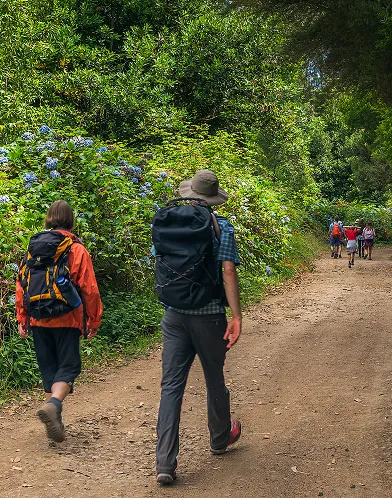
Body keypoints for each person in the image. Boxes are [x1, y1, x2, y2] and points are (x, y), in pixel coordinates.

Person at [153, 170, 242, 485]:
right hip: (208, 315)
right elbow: (228, 270)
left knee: (170, 387)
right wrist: (236, 316)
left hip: (173, 316)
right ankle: (219, 437)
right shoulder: (222, 225)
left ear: (188, 193)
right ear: (212, 198)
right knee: (214, 378)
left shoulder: (166, 221)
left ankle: (165, 462)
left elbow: (160, 260)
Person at [16, 200, 102, 443]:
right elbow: (90, 289)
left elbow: (21, 283)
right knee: (69, 367)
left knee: (49, 370)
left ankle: (56, 421)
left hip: (38, 318)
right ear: (71, 220)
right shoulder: (75, 249)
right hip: (67, 318)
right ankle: (54, 405)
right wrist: (93, 320)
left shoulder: (33, 248)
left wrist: (22, 317)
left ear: (48, 219)